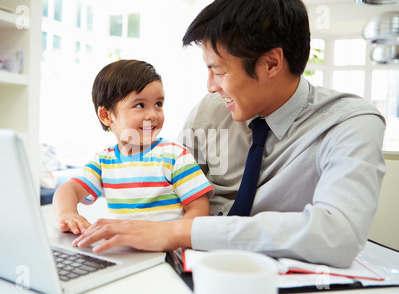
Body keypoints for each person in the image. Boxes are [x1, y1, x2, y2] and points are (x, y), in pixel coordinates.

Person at [72, 0, 386, 268]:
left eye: (219, 71)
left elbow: (339, 235)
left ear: (271, 63)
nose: (211, 86)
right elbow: (169, 186)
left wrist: (178, 232)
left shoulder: (350, 122)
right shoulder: (210, 110)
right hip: (181, 265)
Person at [53, 60, 213, 235]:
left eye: (158, 104)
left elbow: (199, 210)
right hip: (126, 250)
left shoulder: (175, 155)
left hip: (168, 251)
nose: (153, 114)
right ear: (106, 116)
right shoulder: (102, 162)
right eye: (139, 105)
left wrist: (170, 235)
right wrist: (68, 214)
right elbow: (68, 190)